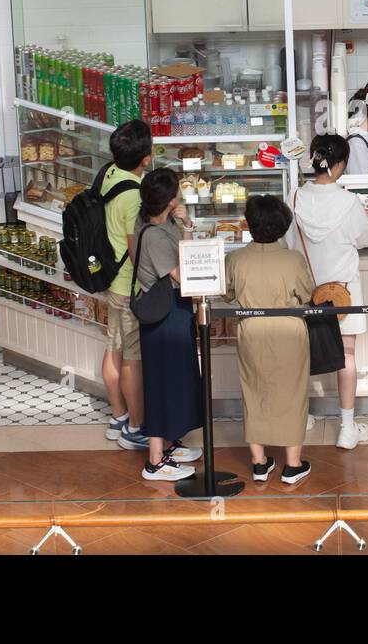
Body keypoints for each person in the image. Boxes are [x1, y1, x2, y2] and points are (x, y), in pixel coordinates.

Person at [284, 134, 368, 451]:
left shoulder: (295, 198)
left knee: (299, 354)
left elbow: (286, 242)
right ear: (339, 165)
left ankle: (300, 417)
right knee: (347, 356)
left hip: (305, 290)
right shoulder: (349, 202)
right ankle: (347, 427)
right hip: (343, 292)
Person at [224, 195, 315, 485]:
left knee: (254, 392)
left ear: (250, 225)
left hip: (251, 331)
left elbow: (227, 293)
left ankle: (259, 463)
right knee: (293, 394)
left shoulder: (236, 258)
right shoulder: (293, 259)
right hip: (289, 332)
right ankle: (292, 465)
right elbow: (307, 295)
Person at [131, 168, 205, 481]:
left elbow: (183, 256)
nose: (180, 194)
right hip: (165, 314)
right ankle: (155, 461)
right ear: (167, 199)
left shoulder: (162, 223)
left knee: (176, 378)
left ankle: (169, 445)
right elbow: (181, 275)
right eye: (176, 190)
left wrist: (186, 225)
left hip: (174, 310)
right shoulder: (154, 235)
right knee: (162, 382)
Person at [99, 119, 152, 451]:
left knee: (114, 348)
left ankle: (117, 415)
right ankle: (135, 427)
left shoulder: (109, 174)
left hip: (111, 281)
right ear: (145, 158)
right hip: (127, 284)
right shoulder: (133, 195)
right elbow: (136, 250)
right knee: (133, 358)